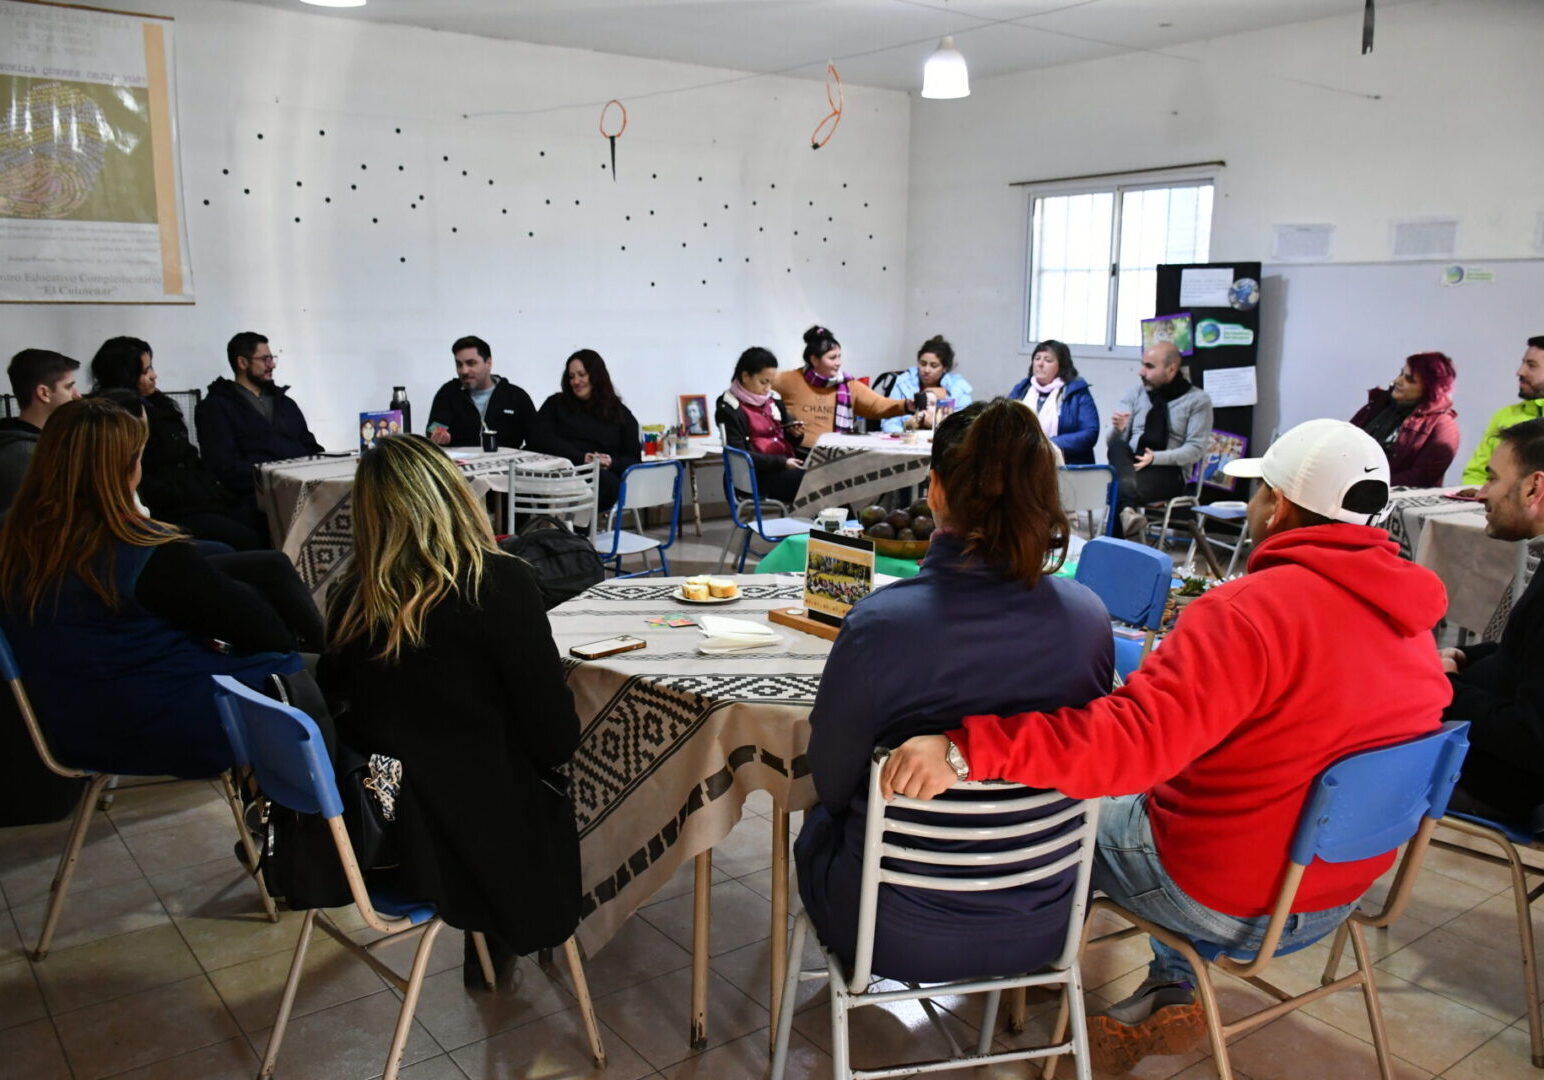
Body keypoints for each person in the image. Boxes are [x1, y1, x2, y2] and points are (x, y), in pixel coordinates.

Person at [880, 419, 1452, 1074]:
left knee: (1068, 813)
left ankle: (1021, 967)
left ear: (1280, 506)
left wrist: (965, 749)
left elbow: (1129, 746)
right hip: (1337, 891)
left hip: (1227, 895)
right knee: (1185, 798)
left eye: (1261, 491)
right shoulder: (1413, 624)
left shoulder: (1245, 614)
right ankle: (1169, 985)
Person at [796, 400, 1112, 982]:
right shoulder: (1089, 620)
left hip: (892, 933)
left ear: (934, 489)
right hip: (1048, 921)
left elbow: (833, 781)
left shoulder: (879, 626)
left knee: (817, 824)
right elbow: (1091, 755)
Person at [317, 435, 581, 987]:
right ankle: (511, 928)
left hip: (385, 820)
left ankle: (490, 942)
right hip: (470, 836)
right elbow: (555, 739)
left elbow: (338, 696)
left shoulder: (351, 597)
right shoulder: (497, 582)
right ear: (453, 497)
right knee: (565, 781)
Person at [0, 397, 308, 778]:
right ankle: (332, 820)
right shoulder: (141, 552)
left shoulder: (14, 541)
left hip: (68, 727)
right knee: (307, 675)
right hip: (159, 726)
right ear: (124, 470)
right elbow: (268, 634)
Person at [1441, 418, 1544, 824]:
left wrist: (1443, 690)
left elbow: (1531, 738)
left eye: (1493, 478)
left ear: (1534, 487)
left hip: (1509, 782)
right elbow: (1526, 655)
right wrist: (1464, 658)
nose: (1482, 493)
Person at [90, 336, 267, 550]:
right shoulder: (117, 419)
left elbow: (188, 458)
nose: (154, 376)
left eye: (151, 367)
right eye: (145, 371)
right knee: (244, 538)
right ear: (125, 375)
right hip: (171, 510)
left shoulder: (160, 406)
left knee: (264, 519)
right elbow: (145, 482)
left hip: (199, 497)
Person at [195, 332, 324, 512]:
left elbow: (311, 446)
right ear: (242, 363)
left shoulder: (286, 404)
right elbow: (223, 466)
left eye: (272, 358)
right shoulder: (215, 408)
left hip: (303, 491)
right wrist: (277, 477)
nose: (271, 365)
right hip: (251, 500)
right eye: (265, 359)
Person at [1107, 342, 1213, 535]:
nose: (1141, 372)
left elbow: (1196, 449)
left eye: (1149, 366)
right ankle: (1127, 512)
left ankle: (1118, 527)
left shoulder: (1197, 400)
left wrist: (1155, 458)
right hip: (1131, 465)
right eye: (1142, 365)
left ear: (1171, 369)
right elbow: (1114, 444)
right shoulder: (1135, 393)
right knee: (1117, 447)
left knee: (1117, 489)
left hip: (1168, 471)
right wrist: (1118, 430)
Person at [529, 349, 641, 512]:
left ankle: (574, 533)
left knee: (607, 483)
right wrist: (581, 457)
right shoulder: (556, 404)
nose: (576, 381)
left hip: (599, 478)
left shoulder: (620, 414)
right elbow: (538, 437)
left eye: (582, 374)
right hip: (558, 473)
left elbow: (634, 460)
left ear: (596, 376)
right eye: (571, 376)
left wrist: (610, 463)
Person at [772, 326, 911, 448]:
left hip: (836, 455)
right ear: (814, 360)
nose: (838, 363)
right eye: (832, 358)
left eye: (839, 357)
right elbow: (760, 382)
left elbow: (877, 405)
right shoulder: (790, 379)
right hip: (798, 454)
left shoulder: (848, 384)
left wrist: (906, 405)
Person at [1348, 351, 1460, 487]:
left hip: (1392, 499)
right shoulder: (1379, 404)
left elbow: (1421, 477)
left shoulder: (1443, 426)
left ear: (1431, 389)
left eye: (1409, 379)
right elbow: (1345, 440)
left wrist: (1366, 485)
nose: (1397, 381)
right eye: (1401, 374)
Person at [715, 347, 806, 504]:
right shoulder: (729, 408)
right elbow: (740, 454)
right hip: (753, 478)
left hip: (783, 469)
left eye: (771, 382)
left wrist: (794, 433)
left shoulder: (773, 400)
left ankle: (840, 526)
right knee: (815, 481)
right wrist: (782, 462)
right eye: (763, 382)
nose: (768, 388)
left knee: (826, 475)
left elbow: (788, 441)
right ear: (745, 376)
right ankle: (835, 526)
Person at [0, 349, 81, 511]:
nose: (77, 395)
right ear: (44, 393)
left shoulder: (45, 443)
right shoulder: (24, 456)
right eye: (68, 387)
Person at [426, 335, 537, 450]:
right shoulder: (448, 393)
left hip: (506, 465)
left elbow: (535, 439)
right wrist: (439, 433)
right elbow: (434, 426)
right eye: (459, 364)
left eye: (471, 363)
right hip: (458, 465)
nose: (464, 371)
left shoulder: (516, 396)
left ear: (488, 363)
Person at [1460, 336, 1544, 487]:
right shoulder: (1503, 416)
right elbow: (1475, 474)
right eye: (1523, 363)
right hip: (1491, 508)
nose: (1520, 372)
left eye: (1531, 365)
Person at [1008, 339, 1100, 464]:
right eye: (1037, 358)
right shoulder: (1022, 389)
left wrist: (1048, 444)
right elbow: (1005, 423)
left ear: (1061, 366)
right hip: (1023, 463)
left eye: (1048, 360)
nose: (1040, 363)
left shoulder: (1076, 391)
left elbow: (1090, 433)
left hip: (1067, 464)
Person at [880, 335, 974, 433]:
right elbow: (888, 423)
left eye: (934, 366)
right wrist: (908, 428)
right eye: (923, 363)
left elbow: (965, 428)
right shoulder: (904, 382)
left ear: (944, 367)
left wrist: (937, 424)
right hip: (907, 441)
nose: (926, 370)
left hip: (941, 443)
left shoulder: (957, 388)